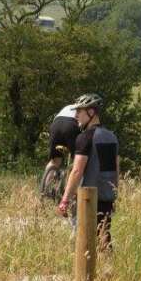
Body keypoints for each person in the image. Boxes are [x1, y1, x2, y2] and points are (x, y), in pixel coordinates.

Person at [57, 93, 120, 250]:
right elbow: (114, 169)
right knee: (104, 237)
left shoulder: (85, 137)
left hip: (88, 198)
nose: (76, 115)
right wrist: (114, 195)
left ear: (91, 112)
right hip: (106, 196)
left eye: (80, 111)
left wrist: (65, 200)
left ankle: (86, 275)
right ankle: (109, 271)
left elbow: (77, 170)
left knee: (84, 243)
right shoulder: (111, 136)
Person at [44, 102, 80, 175]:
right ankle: (71, 180)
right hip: (71, 125)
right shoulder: (82, 108)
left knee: (54, 161)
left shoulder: (67, 107)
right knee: (78, 159)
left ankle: (45, 185)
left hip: (55, 126)